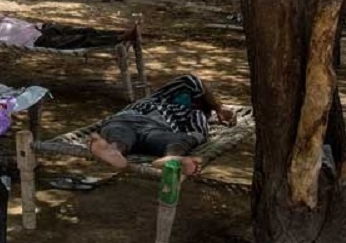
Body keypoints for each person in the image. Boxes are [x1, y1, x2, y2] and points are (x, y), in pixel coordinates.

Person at [86, 75, 236, 176]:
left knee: (181, 139)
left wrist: (208, 113)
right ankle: (114, 150)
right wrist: (218, 107)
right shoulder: (158, 97)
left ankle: (168, 159)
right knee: (121, 133)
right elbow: (191, 79)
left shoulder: (193, 113)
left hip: (150, 129)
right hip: (131, 121)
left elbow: (198, 134)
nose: (184, 95)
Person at [0, 11, 137, 49]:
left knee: (84, 30)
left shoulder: (1, 20)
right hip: (37, 41)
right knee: (81, 40)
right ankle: (118, 39)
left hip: (40, 28)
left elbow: (12, 19)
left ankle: (118, 33)